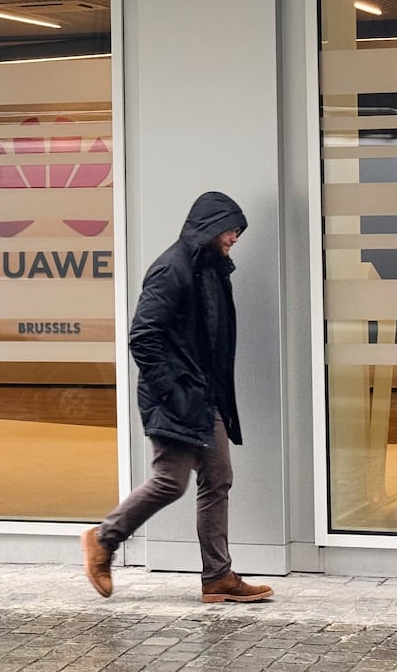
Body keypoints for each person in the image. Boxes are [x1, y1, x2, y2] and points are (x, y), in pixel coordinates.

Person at [80, 191, 274, 604]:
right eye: (230, 229)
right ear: (209, 226)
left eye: (238, 231)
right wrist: (171, 389)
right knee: (171, 482)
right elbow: (143, 336)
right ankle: (102, 539)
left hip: (203, 396)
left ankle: (218, 576)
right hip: (176, 397)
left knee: (218, 478)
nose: (234, 238)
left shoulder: (210, 269)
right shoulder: (173, 269)